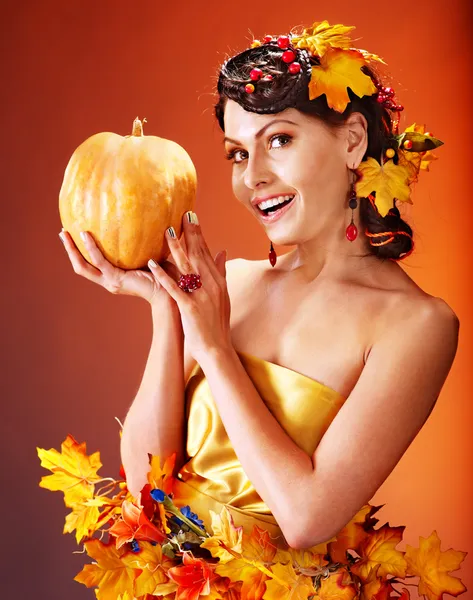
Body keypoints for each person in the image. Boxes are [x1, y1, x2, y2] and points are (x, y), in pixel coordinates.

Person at [58, 20, 459, 550]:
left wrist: (217, 350)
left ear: (353, 141)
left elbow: (306, 519)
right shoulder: (229, 284)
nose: (252, 177)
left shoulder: (417, 325)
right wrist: (166, 307)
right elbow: (144, 487)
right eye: (239, 153)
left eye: (280, 140)